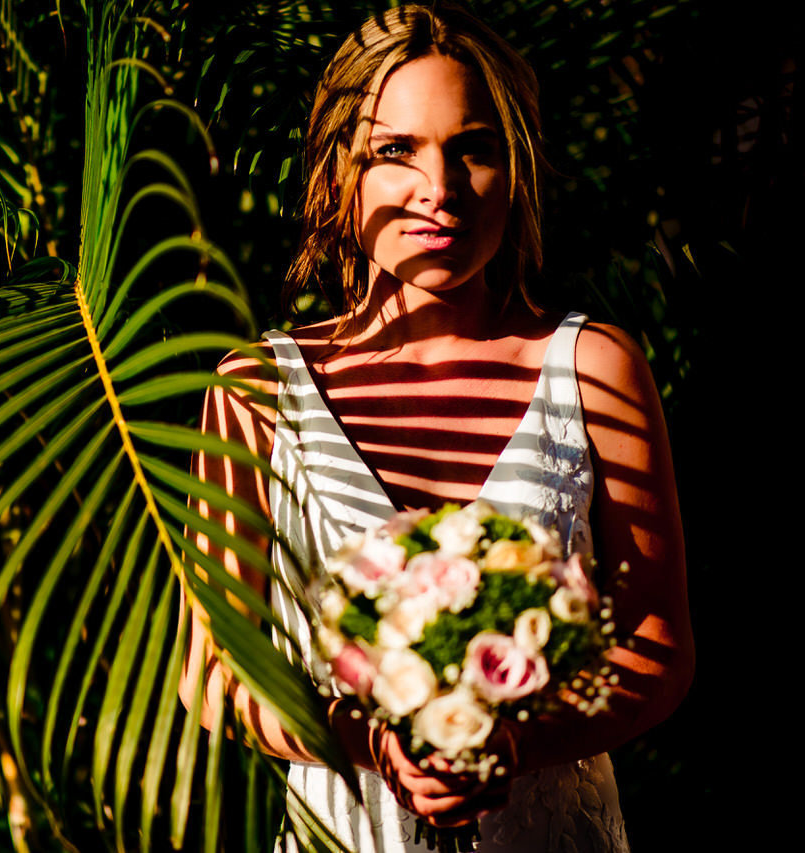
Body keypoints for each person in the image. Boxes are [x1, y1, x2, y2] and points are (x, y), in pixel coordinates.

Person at [181, 3, 693, 851]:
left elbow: (658, 645)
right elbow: (213, 672)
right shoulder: (260, 390)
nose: (440, 188)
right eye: (396, 151)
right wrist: (371, 745)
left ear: (517, 169)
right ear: (339, 173)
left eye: (475, 148)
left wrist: (518, 740)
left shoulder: (595, 369)